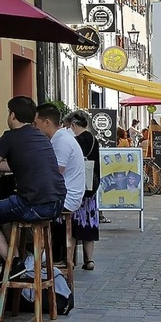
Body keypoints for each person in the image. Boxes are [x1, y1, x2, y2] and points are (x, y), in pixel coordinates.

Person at [0, 96, 66, 281]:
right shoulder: (40, 136)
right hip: (57, 202)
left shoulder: (10, 137)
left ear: (13, 115)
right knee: (4, 213)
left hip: (33, 203)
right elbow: (12, 166)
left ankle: (14, 262)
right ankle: (18, 261)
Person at [34, 103, 85, 263]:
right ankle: (40, 255)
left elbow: (55, 174)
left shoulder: (61, 141)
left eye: (36, 124)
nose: (35, 128)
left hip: (66, 198)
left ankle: (35, 257)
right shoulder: (62, 138)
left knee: (18, 209)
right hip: (67, 196)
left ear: (47, 122)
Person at [63, 110, 101, 270]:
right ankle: (89, 260)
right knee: (88, 224)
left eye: (67, 126)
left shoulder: (73, 141)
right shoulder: (94, 140)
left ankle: (69, 259)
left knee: (70, 224)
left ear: (73, 124)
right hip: (90, 186)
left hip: (75, 187)